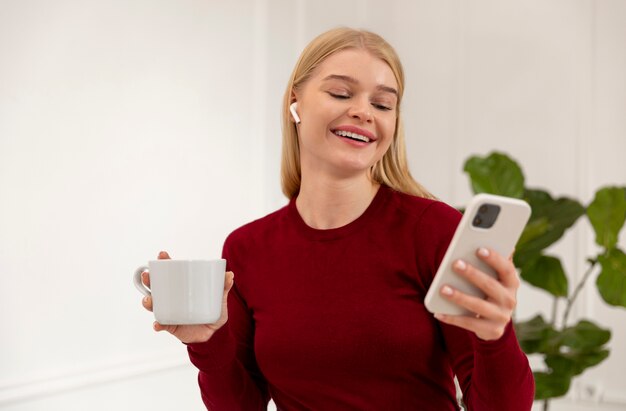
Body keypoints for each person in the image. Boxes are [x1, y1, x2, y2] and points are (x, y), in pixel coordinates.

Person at [141, 27, 535, 410]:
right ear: (294, 103)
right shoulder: (247, 249)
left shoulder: (434, 230)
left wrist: (494, 337)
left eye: (382, 104)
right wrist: (207, 344)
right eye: (341, 93)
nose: (363, 111)